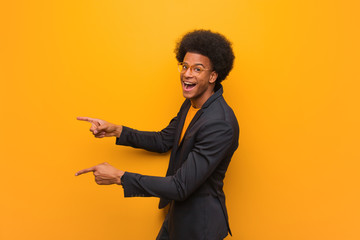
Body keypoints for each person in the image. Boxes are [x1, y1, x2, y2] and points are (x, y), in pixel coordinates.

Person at [76, 29, 239, 240]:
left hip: (199, 227)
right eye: (185, 66)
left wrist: (119, 177)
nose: (187, 74)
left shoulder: (220, 124)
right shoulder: (191, 105)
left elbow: (181, 186)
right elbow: (163, 140)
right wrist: (116, 130)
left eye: (197, 69)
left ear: (213, 76)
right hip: (176, 217)